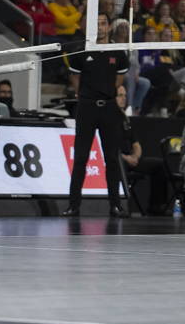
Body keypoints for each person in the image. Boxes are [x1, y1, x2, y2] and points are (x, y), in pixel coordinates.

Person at [62, 14, 130, 217]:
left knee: (112, 158)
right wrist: (87, 95)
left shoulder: (118, 53)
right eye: (96, 23)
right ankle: (74, 205)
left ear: (109, 27)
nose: (99, 27)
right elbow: (75, 79)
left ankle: (115, 206)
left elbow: (119, 80)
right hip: (87, 108)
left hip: (109, 108)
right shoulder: (80, 51)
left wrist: (105, 91)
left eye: (103, 24)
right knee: (81, 157)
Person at [115, 85, 170, 215]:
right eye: (120, 95)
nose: (124, 98)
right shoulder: (106, 118)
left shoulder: (125, 118)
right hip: (116, 160)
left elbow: (136, 144)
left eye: (125, 95)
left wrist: (136, 157)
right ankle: (119, 206)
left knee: (159, 165)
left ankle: (155, 206)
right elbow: (105, 146)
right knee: (119, 164)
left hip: (130, 159)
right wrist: (125, 158)